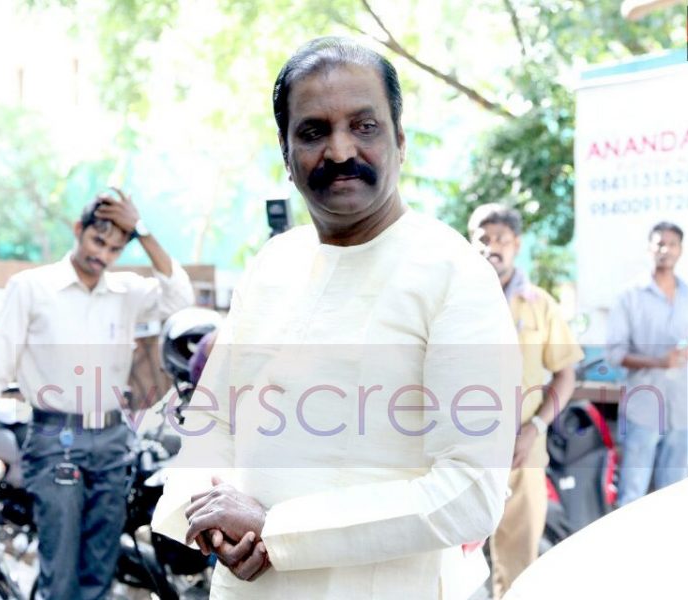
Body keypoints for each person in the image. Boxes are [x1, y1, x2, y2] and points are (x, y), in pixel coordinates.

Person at [152, 37, 520, 599]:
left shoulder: (453, 273)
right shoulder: (272, 264)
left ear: (400, 139)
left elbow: (469, 494)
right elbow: (211, 425)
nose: (341, 149)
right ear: (286, 153)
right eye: (314, 131)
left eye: (364, 126)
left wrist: (278, 532)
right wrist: (208, 513)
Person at [0, 189, 195, 600]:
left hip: (113, 441)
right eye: (98, 242)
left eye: (115, 249)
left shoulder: (126, 291)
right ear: (79, 230)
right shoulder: (31, 287)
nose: (103, 255)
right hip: (55, 440)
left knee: (99, 570)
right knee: (60, 576)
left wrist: (143, 230)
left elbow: (180, 297)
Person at [468, 203, 583, 597]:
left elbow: (565, 374)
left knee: (518, 566)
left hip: (522, 452)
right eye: (482, 238)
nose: (491, 246)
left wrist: (535, 428)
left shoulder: (540, 305)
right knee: (443, 563)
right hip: (460, 452)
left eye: (500, 238)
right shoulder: (456, 300)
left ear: (516, 244)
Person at [606, 221, 688, 507]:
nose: (665, 250)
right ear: (649, 248)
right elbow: (615, 353)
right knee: (632, 493)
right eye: (659, 243)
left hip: (683, 408)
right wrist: (660, 362)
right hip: (644, 407)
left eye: (672, 244)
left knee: (675, 495)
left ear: (680, 250)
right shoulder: (629, 297)